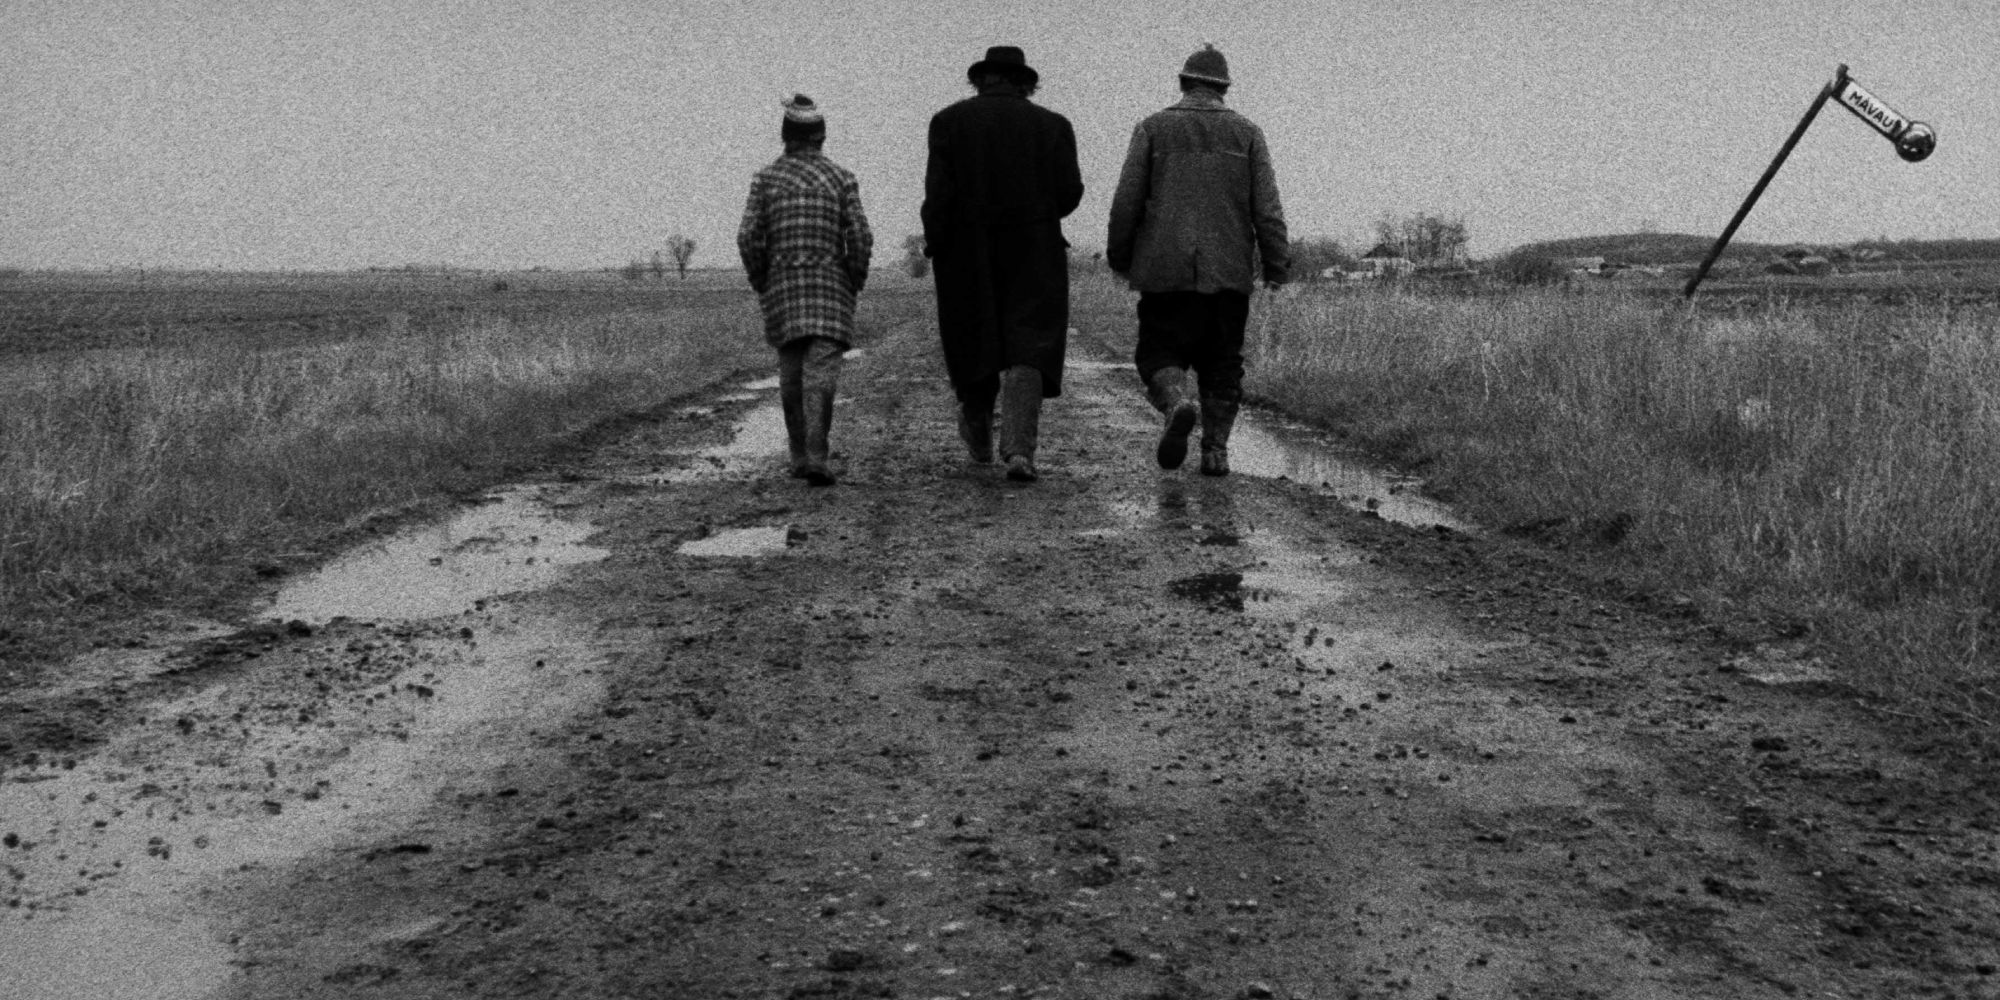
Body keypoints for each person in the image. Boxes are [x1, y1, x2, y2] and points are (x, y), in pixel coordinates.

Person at [1106, 44, 1290, 477]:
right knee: (1223, 361)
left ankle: (1175, 403)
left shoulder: (1151, 128)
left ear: (1183, 83)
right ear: (1223, 88)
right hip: (1228, 272)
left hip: (1163, 270)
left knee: (1159, 351)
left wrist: (1120, 256)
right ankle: (1215, 451)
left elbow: (1125, 202)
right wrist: (1277, 266)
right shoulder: (1248, 133)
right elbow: (1268, 209)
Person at [922, 45, 1085, 483]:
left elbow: (938, 194)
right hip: (1034, 247)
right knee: (1029, 343)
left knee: (974, 336)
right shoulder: (1053, 125)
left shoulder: (948, 122)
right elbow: (1069, 191)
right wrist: (1036, 211)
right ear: (1025, 82)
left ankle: (978, 429)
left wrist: (936, 241)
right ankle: (1019, 451)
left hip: (965, 248)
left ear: (982, 79)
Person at [737, 94, 874, 486]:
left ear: (785, 136)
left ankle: (799, 456)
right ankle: (818, 453)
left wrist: (762, 278)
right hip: (831, 290)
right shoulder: (841, 178)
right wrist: (853, 279)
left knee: (791, 374)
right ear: (821, 137)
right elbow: (860, 236)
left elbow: (748, 236)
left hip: (783, 291)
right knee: (822, 374)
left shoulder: (766, 179)